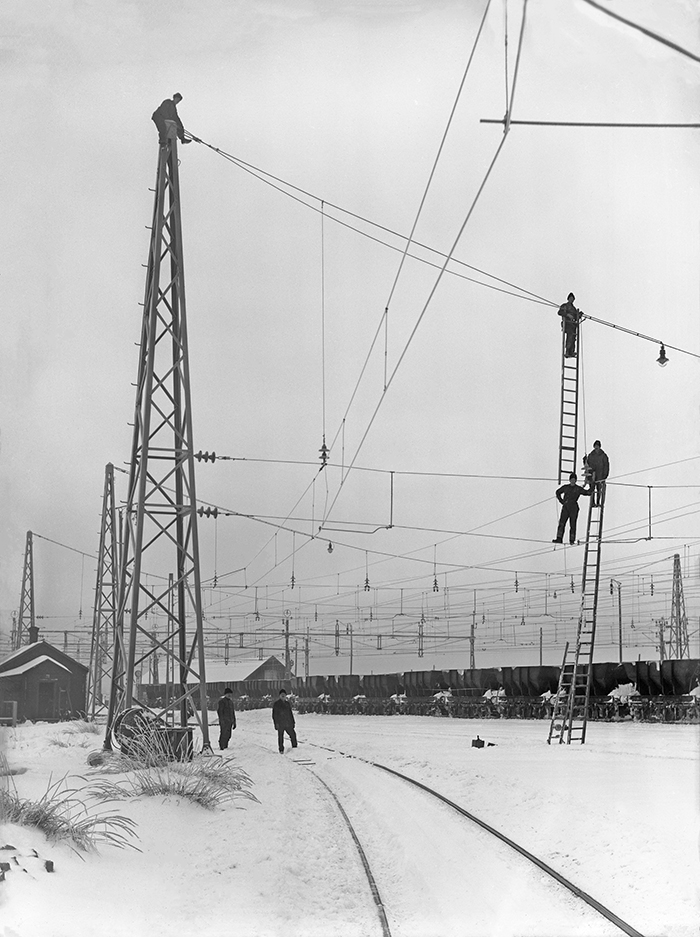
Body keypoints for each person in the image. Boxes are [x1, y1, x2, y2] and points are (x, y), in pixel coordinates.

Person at [553, 472, 592, 544]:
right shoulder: (565, 487)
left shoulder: (578, 489)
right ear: (570, 480)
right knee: (562, 523)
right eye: (572, 479)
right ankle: (559, 538)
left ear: (576, 480)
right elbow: (557, 492)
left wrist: (592, 485)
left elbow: (587, 493)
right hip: (566, 507)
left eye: (574, 479)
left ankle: (572, 539)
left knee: (572, 524)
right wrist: (561, 501)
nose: (573, 481)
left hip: (574, 508)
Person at [584, 440, 609, 506]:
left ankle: (598, 502)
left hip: (600, 475)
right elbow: (587, 465)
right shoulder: (591, 455)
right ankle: (592, 502)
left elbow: (606, 466)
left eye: (597, 446)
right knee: (592, 489)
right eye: (595, 446)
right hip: (592, 475)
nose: (596, 448)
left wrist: (605, 476)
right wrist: (585, 461)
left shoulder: (603, 456)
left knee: (599, 489)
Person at [272, 689, 297, 754]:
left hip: (288, 723)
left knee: (293, 734)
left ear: (286, 696)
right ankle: (281, 750)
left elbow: (290, 713)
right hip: (280, 723)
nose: (283, 696)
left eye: (284, 695)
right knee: (281, 737)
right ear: (279, 696)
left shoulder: (287, 704)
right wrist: (276, 723)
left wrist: (293, 722)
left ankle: (295, 748)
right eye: (282, 695)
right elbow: (274, 715)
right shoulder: (276, 704)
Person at [558, 293, 582, 358]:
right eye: (571, 298)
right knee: (570, 336)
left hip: (572, 325)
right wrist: (567, 315)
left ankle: (571, 351)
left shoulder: (574, 308)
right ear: (568, 298)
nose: (572, 300)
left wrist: (579, 315)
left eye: (573, 299)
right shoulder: (564, 306)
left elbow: (576, 318)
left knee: (573, 338)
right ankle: (568, 350)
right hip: (567, 323)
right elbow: (560, 312)